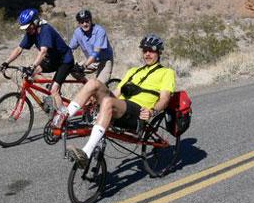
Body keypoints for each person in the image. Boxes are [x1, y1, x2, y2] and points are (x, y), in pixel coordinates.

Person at [64, 34, 175, 168]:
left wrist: (152, 111)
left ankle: (86, 153)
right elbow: (116, 93)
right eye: (145, 51)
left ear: (159, 52)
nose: (147, 54)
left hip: (138, 112)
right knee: (93, 83)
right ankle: (63, 117)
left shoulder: (167, 72)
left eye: (151, 51)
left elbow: (165, 99)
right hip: (121, 107)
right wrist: (94, 98)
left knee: (108, 102)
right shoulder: (133, 71)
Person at [1, 8, 74, 110]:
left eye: (28, 27)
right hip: (52, 60)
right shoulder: (31, 32)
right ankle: (50, 86)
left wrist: (33, 66)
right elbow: (19, 49)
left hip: (65, 61)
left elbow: (43, 51)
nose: (27, 30)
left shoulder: (45, 30)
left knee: (54, 90)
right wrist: (6, 62)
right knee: (30, 75)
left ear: (35, 22)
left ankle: (62, 118)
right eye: (25, 28)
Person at [69, 9, 114, 84]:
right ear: (79, 23)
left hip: (105, 61)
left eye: (87, 21)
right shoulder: (77, 32)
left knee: (98, 85)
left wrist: (84, 66)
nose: (85, 24)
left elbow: (96, 52)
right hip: (91, 61)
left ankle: (99, 91)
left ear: (91, 20)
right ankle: (88, 86)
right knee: (72, 70)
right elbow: (70, 48)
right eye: (82, 22)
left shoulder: (99, 31)